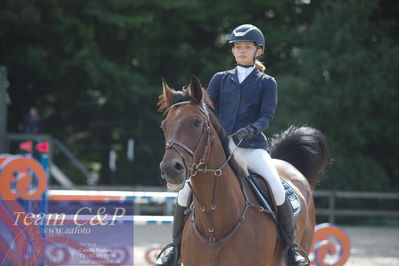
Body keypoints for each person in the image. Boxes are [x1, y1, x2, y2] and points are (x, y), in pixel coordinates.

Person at [155, 24, 309, 266]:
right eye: (238, 47)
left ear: (258, 51)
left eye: (247, 47)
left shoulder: (267, 82)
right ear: (233, 51)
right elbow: (205, 107)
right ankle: (174, 249)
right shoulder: (220, 79)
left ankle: (291, 248)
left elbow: (267, 115)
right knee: (184, 193)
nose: (242, 51)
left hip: (253, 147)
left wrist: (253, 128)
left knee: (276, 187)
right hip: (223, 148)